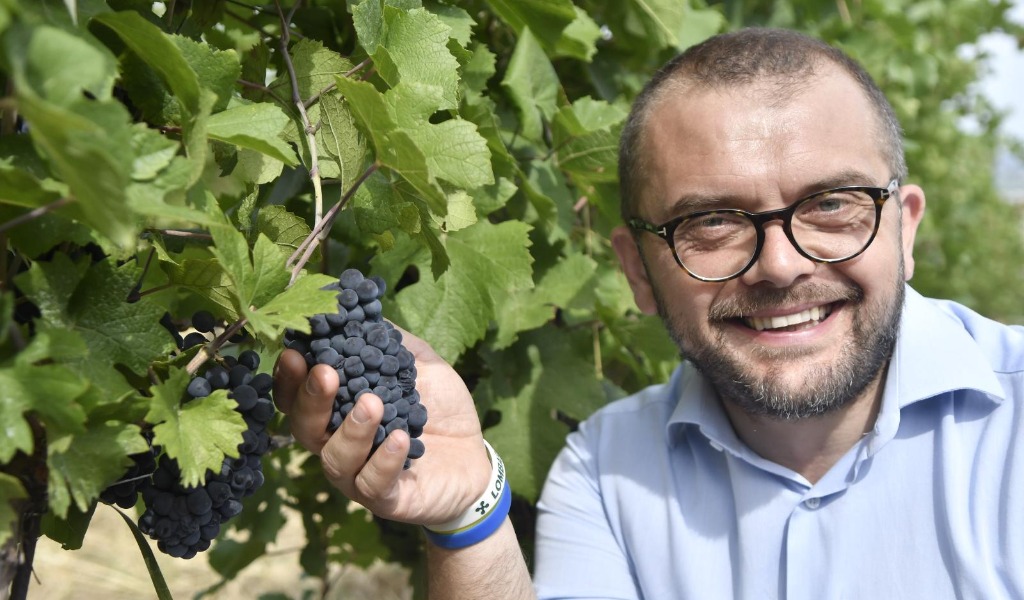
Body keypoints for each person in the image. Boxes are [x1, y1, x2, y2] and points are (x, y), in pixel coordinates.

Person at [274, 28, 1024, 599]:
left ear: (906, 226)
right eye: (713, 223)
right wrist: (467, 514)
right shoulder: (605, 471)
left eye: (832, 205)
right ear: (637, 271)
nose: (782, 265)